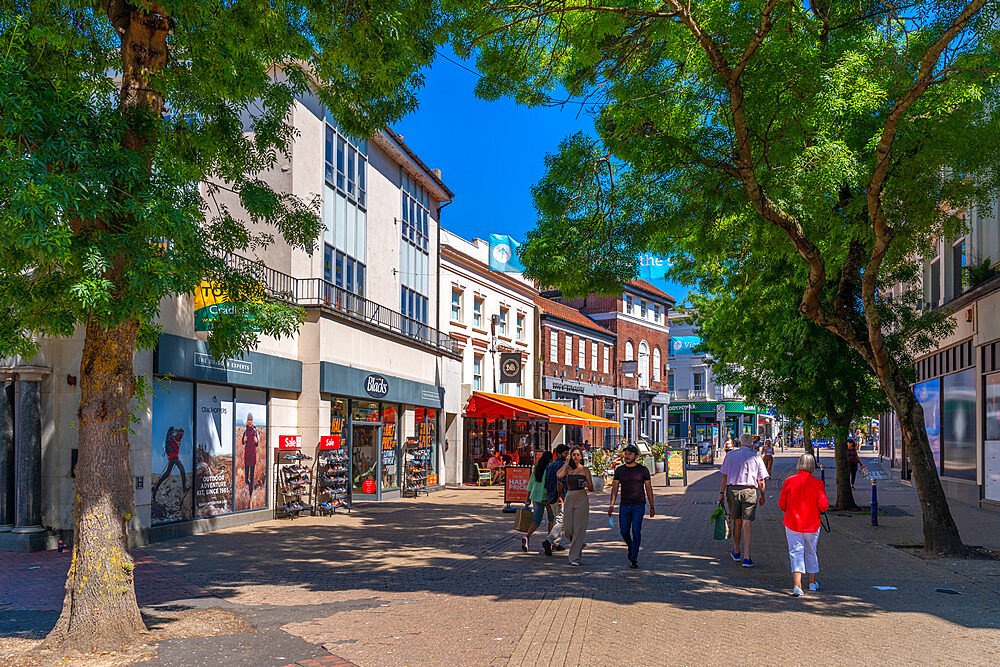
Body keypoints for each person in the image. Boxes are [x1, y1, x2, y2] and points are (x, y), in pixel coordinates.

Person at [778, 454, 830, 596]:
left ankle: (797, 585)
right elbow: (824, 505)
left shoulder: (789, 481)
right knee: (811, 551)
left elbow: (782, 503)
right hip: (811, 523)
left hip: (792, 521)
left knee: (795, 552)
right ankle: (812, 583)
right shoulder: (818, 483)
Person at [718, 433, 769, 568]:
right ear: (751, 444)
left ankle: (736, 551)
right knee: (747, 523)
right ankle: (747, 557)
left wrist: (721, 493)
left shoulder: (730, 456)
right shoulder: (756, 458)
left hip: (732, 490)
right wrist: (762, 496)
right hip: (750, 491)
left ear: (739, 443)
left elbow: (724, 477)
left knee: (737, 521)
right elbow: (761, 481)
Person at [608, 444, 655, 568]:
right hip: (624, 505)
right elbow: (614, 488)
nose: (627, 456)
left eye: (630, 454)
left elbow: (648, 488)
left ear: (636, 456)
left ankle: (634, 557)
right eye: (626, 453)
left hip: (638, 505)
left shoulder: (643, 470)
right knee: (623, 531)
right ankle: (631, 546)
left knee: (636, 531)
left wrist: (652, 506)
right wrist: (611, 504)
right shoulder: (620, 470)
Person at [556, 446, 594, 566]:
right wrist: (566, 463)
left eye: (578, 455)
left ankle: (575, 558)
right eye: (573, 455)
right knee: (567, 528)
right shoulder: (568, 469)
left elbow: (592, 487)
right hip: (570, 497)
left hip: (581, 498)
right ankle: (578, 544)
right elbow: (559, 475)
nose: (576, 457)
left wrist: (586, 484)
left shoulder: (585, 470)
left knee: (579, 528)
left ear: (581, 457)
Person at [542, 444, 570, 555]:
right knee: (560, 521)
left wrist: (548, 497)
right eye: (565, 453)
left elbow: (546, 484)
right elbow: (560, 483)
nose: (567, 455)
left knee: (556, 520)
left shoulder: (549, 466)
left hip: (552, 497)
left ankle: (556, 544)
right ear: (559, 454)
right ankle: (549, 541)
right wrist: (560, 496)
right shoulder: (563, 466)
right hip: (560, 497)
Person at [522, 451, 554, 551]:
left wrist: (527, 499)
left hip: (535, 496)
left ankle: (527, 537)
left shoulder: (536, 468)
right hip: (546, 496)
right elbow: (549, 484)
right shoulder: (550, 468)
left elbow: (530, 484)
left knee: (536, 520)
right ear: (550, 459)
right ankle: (549, 541)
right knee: (551, 520)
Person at [153, 426, 188, 501]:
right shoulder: (175, 436)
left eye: (182, 434)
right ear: (179, 432)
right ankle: (184, 487)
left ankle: (155, 487)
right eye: (181, 433)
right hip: (173, 456)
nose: (182, 435)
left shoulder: (178, 437)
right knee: (182, 469)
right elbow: (171, 438)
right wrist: (176, 443)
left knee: (167, 473)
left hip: (172, 456)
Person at [242, 413, 259, 495]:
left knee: (251, 476)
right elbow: (242, 442)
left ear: (252, 421)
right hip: (246, 455)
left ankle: (250, 492)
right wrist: (244, 440)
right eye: (249, 420)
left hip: (252, 455)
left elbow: (257, 443)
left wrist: (256, 441)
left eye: (251, 420)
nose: (250, 421)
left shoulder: (255, 431)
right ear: (247, 421)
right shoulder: (245, 431)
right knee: (246, 476)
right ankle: (247, 484)